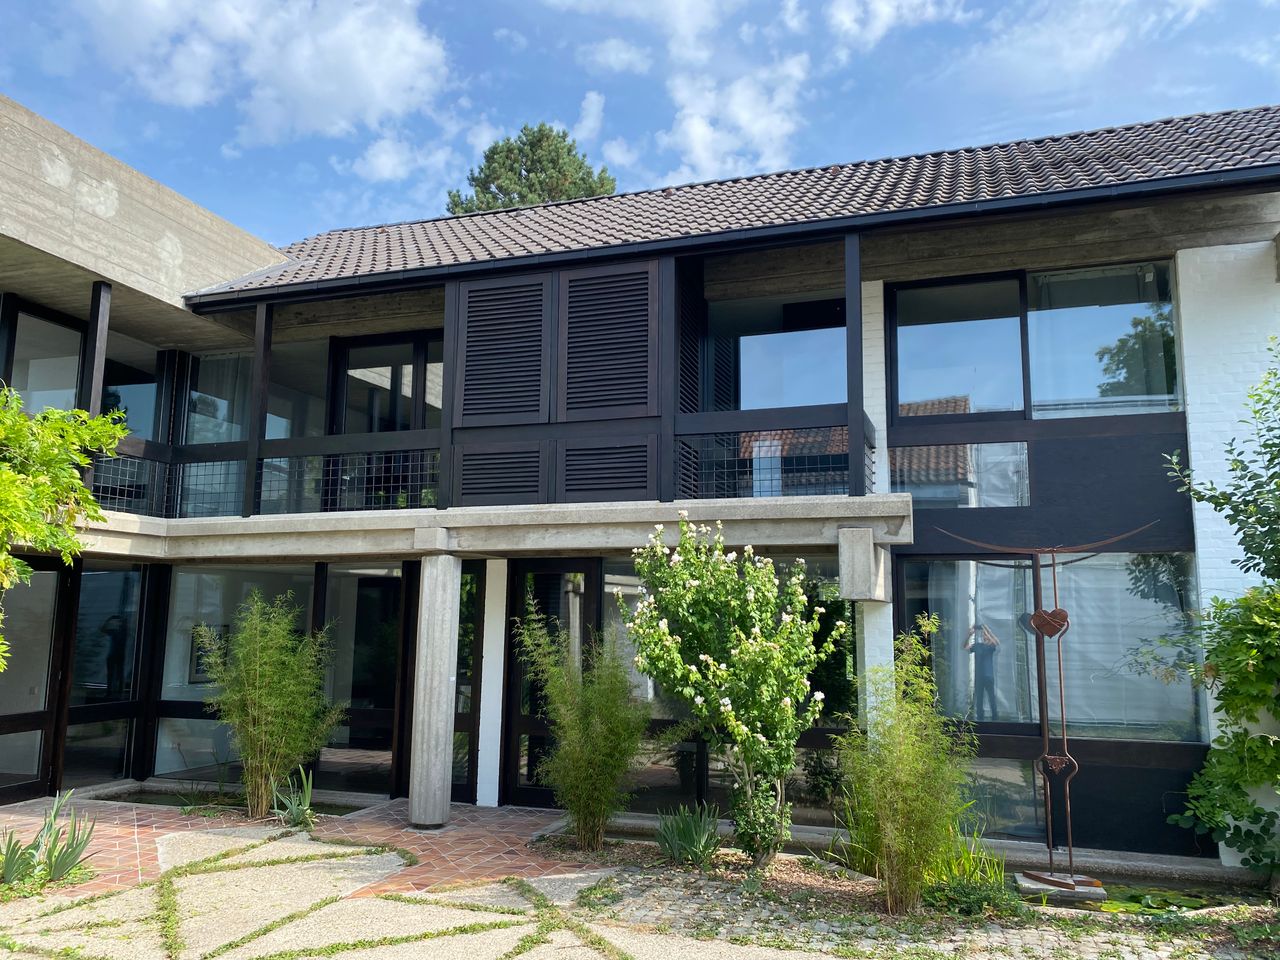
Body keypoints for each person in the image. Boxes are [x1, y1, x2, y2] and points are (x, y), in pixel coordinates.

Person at [964, 622, 1000, 721]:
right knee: (979, 699)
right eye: (983, 634)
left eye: (986, 635)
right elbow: (966, 647)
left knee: (991, 698)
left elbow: (997, 642)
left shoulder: (991, 647)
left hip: (989, 676)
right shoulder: (978, 645)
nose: (984, 636)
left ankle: (995, 718)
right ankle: (980, 719)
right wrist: (969, 635)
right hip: (979, 677)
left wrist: (987, 630)